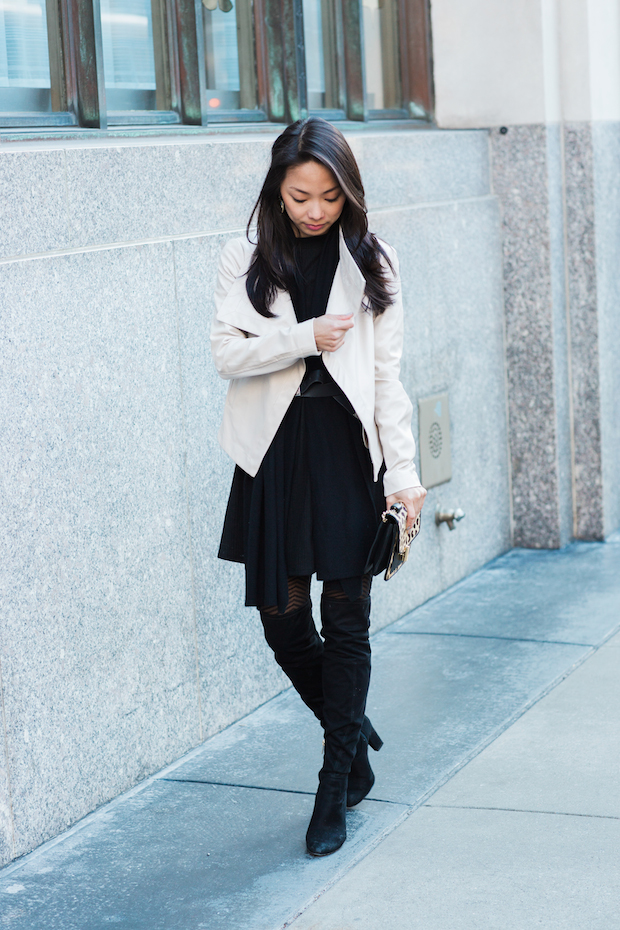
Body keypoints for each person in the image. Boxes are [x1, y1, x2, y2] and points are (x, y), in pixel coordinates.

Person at [211, 117, 426, 857]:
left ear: (349, 194)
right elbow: (225, 356)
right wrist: (303, 336)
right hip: (272, 453)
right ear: (278, 186)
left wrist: (404, 475)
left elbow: (386, 378)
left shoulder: (373, 260)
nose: (314, 210)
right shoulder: (247, 256)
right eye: (301, 194)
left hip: (343, 451)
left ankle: (336, 784)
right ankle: (349, 723)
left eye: (330, 197)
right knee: (282, 619)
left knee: (347, 619)